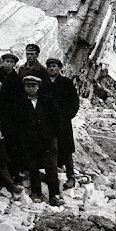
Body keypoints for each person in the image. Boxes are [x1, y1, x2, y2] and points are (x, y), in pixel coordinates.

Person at [16, 75, 63, 207]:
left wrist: (52, 135)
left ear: (38, 87)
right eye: (28, 86)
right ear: (25, 87)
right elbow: (17, 123)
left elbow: (57, 120)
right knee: (33, 167)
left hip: (48, 140)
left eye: (33, 86)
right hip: (31, 141)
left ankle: (54, 195)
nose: (30, 89)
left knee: (51, 167)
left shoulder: (48, 101)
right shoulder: (20, 103)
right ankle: (36, 193)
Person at [41, 58, 80, 189]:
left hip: (63, 121)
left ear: (59, 68)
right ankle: (52, 175)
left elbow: (74, 102)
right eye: (50, 67)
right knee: (51, 148)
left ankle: (71, 176)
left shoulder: (66, 83)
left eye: (54, 66)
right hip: (48, 122)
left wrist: (68, 115)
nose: (52, 69)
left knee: (66, 148)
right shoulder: (43, 83)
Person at [0, 53, 26, 182]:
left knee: (13, 143)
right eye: (6, 61)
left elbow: (19, 98)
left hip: (12, 116)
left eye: (11, 62)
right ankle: (2, 173)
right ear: (3, 62)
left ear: (14, 64)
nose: (8, 64)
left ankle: (14, 171)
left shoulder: (16, 78)